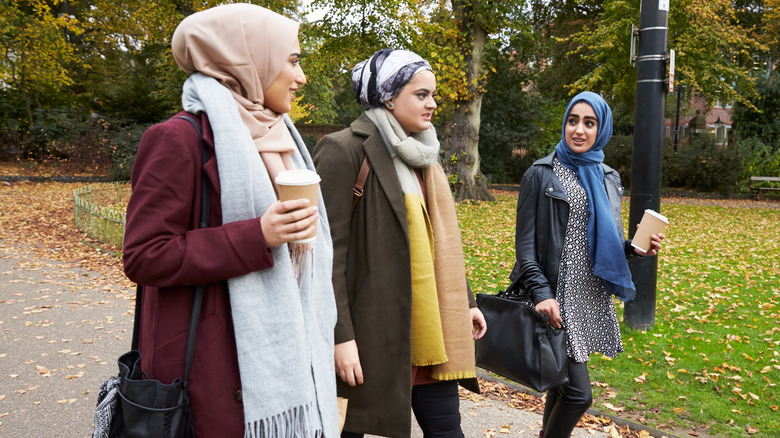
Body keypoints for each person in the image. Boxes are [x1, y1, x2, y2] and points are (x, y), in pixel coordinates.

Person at [122, 4, 338, 437]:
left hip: (283, 358)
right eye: (292, 61)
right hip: (209, 371)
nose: (301, 77)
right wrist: (257, 236)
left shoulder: (284, 141)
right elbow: (144, 256)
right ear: (249, 60)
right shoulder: (179, 139)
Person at [312, 49, 487, 438]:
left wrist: (466, 303)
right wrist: (340, 337)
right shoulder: (344, 150)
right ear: (389, 96)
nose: (433, 104)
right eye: (421, 94)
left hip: (430, 333)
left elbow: (434, 242)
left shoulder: (424, 155)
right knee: (350, 431)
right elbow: (327, 256)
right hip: (371, 335)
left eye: (433, 95)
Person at [510, 91, 665, 438]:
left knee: (561, 385)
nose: (579, 129)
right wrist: (542, 294)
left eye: (589, 122)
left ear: (602, 128)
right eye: (573, 120)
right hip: (554, 294)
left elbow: (602, 244)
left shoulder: (607, 177)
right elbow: (525, 248)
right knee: (579, 394)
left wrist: (635, 249)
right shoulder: (540, 173)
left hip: (589, 294)